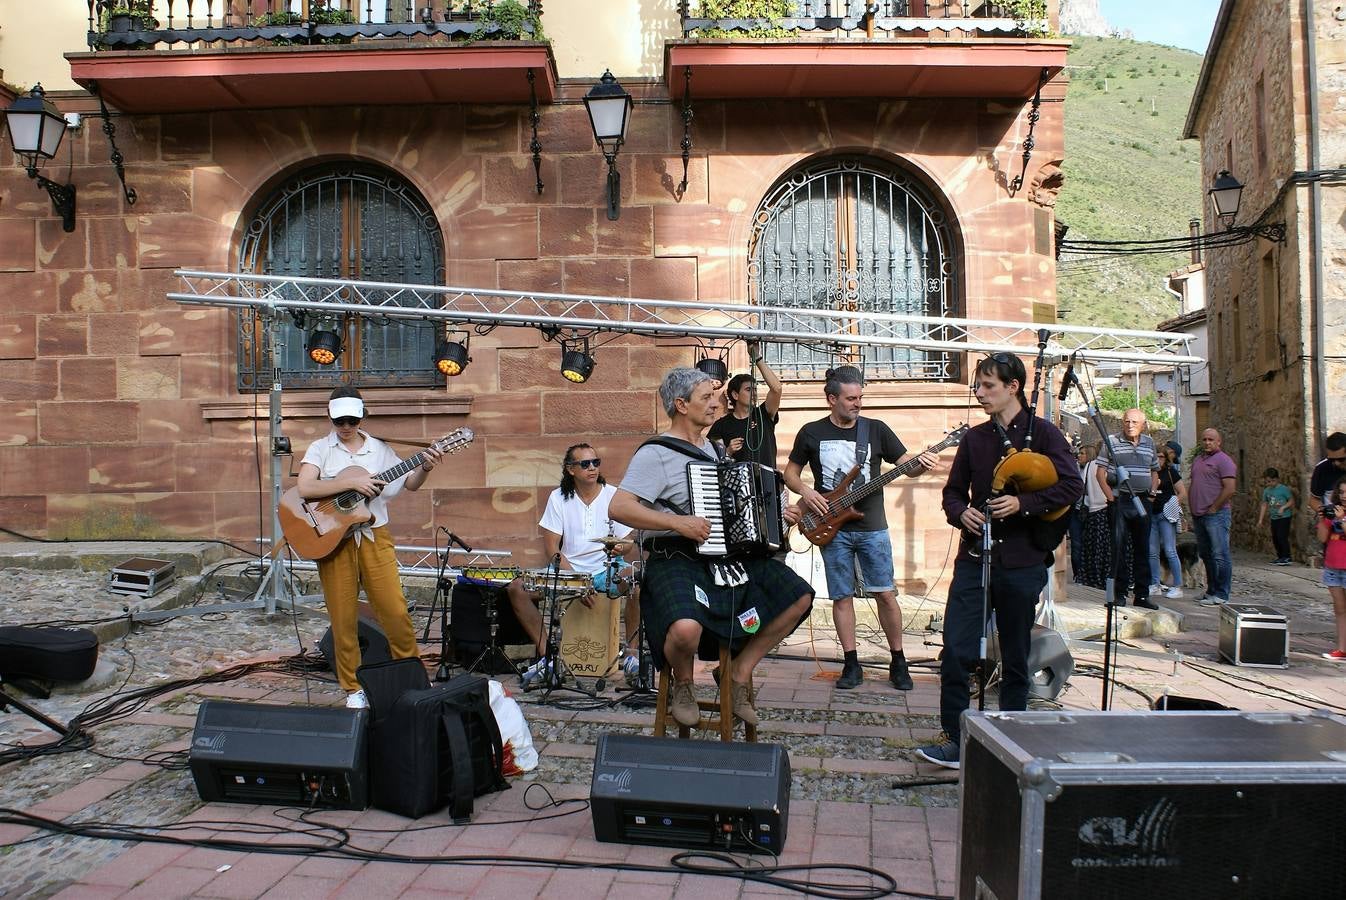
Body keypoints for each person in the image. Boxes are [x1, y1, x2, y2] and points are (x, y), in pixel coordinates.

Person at [609, 367, 814, 728]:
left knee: (798, 596)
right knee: (686, 628)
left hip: (723, 558)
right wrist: (676, 522)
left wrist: (780, 517)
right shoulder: (656, 453)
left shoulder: (715, 449)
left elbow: (737, 510)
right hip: (676, 557)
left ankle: (736, 672)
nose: (716, 404)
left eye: (715, 397)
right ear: (680, 405)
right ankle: (684, 685)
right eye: (706, 398)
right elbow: (619, 507)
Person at [915, 353, 1082, 769]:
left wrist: (1023, 504)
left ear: (1013, 387)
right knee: (955, 648)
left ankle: (1012, 737)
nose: (980, 393)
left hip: (1023, 559)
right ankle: (956, 739)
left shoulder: (1044, 433)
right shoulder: (974, 439)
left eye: (988, 386)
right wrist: (960, 512)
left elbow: (1071, 487)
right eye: (978, 385)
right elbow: (952, 493)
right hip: (976, 556)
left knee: (1015, 653)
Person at [783, 365, 937, 691]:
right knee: (841, 596)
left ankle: (899, 661)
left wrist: (921, 466)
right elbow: (791, 474)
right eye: (851, 398)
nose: (857, 404)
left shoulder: (876, 429)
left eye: (860, 398)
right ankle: (851, 664)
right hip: (829, 525)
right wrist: (807, 492)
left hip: (872, 526)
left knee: (884, 592)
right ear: (831, 399)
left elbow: (906, 467)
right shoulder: (811, 432)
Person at [297, 387, 442, 709]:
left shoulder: (379, 449)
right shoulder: (321, 448)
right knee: (343, 617)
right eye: (340, 420)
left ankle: (412, 675)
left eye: (352, 419)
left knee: (394, 611)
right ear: (331, 417)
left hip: (374, 536)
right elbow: (305, 486)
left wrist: (426, 467)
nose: (346, 426)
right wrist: (350, 483)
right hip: (335, 541)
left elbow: (410, 484)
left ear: (363, 416)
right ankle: (352, 688)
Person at [510, 444, 639, 687]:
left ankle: (632, 657)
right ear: (570, 469)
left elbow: (629, 542)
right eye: (585, 464)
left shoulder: (614, 495)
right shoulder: (558, 497)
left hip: (606, 569)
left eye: (595, 463)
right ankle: (549, 656)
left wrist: (622, 547)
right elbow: (552, 549)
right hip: (569, 570)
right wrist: (578, 583)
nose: (592, 468)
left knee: (636, 580)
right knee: (518, 588)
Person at [1096, 409, 1161, 610]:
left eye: (1134, 422)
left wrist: (1151, 494)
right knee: (1119, 549)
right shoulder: (1112, 442)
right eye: (1126, 421)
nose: (1130, 425)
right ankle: (1120, 594)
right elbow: (1100, 473)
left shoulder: (1149, 443)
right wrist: (1111, 499)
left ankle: (1142, 595)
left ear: (1143, 424)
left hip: (1142, 501)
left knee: (1143, 549)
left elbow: (1155, 471)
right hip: (1120, 500)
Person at [707, 340, 783, 468]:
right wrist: (728, 451)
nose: (754, 394)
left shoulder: (764, 414)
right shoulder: (721, 425)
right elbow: (714, 460)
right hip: (738, 485)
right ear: (735, 395)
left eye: (755, 390)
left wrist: (757, 357)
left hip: (767, 483)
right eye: (748, 390)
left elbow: (777, 389)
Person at [1190, 428, 1237, 606]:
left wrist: (1215, 506)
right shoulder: (1198, 459)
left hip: (1216, 515)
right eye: (1204, 439)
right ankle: (1211, 590)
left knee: (1220, 554)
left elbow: (1230, 488)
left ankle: (1222, 593)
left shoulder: (1224, 461)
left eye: (1211, 440)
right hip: (1199, 514)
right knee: (1206, 554)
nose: (1207, 442)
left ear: (1219, 442)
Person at [1148, 440, 1188, 598]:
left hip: (1165, 515)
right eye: (1155, 457)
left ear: (1166, 458)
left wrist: (1173, 503)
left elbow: (1182, 492)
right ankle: (1155, 583)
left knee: (1170, 550)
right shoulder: (1150, 472)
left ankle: (1177, 585)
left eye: (1161, 457)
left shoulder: (1171, 473)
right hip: (1152, 513)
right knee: (1152, 551)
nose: (1158, 460)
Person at [1317, 475, 1346, 661]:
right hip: (1333, 566)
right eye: (1341, 492)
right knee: (1340, 608)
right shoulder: (1334, 511)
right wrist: (1323, 520)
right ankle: (1342, 648)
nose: (1344, 496)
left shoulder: (1340, 515)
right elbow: (1322, 538)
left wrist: (1342, 519)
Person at [1078, 440, 1112, 589]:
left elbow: (1082, 486)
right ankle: (1105, 578)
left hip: (1091, 509)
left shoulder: (1089, 466)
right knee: (1105, 548)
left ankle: (1091, 577)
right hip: (1105, 507)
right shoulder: (1107, 467)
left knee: (1092, 548)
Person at [1257, 467, 1295, 566]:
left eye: (1272, 481)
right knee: (1275, 537)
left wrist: (1283, 507)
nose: (1270, 483)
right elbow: (1264, 504)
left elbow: (1291, 501)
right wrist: (1260, 520)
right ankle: (1280, 556)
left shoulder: (1284, 489)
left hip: (1284, 517)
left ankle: (1287, 557)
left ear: (1277, 479)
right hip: (1274, 517)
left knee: (1282, 536)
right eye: (1268, 481)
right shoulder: (1266, 491)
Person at [1307, 432, 1346, 517]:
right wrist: (1325, 511)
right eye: (1331, 459)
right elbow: (1313, 500)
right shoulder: (1322, 469)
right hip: (1333, 524)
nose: (1336, 463)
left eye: (1341, 459)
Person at [1066, 444, 1090, 582]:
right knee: (1076, 544)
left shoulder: (1092, 469)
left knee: (1086, 544)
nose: (1079, 456)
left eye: (1082, 453)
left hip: (1089, 510)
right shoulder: (1074, 469)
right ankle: (1077, 574)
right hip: (1076, 510)